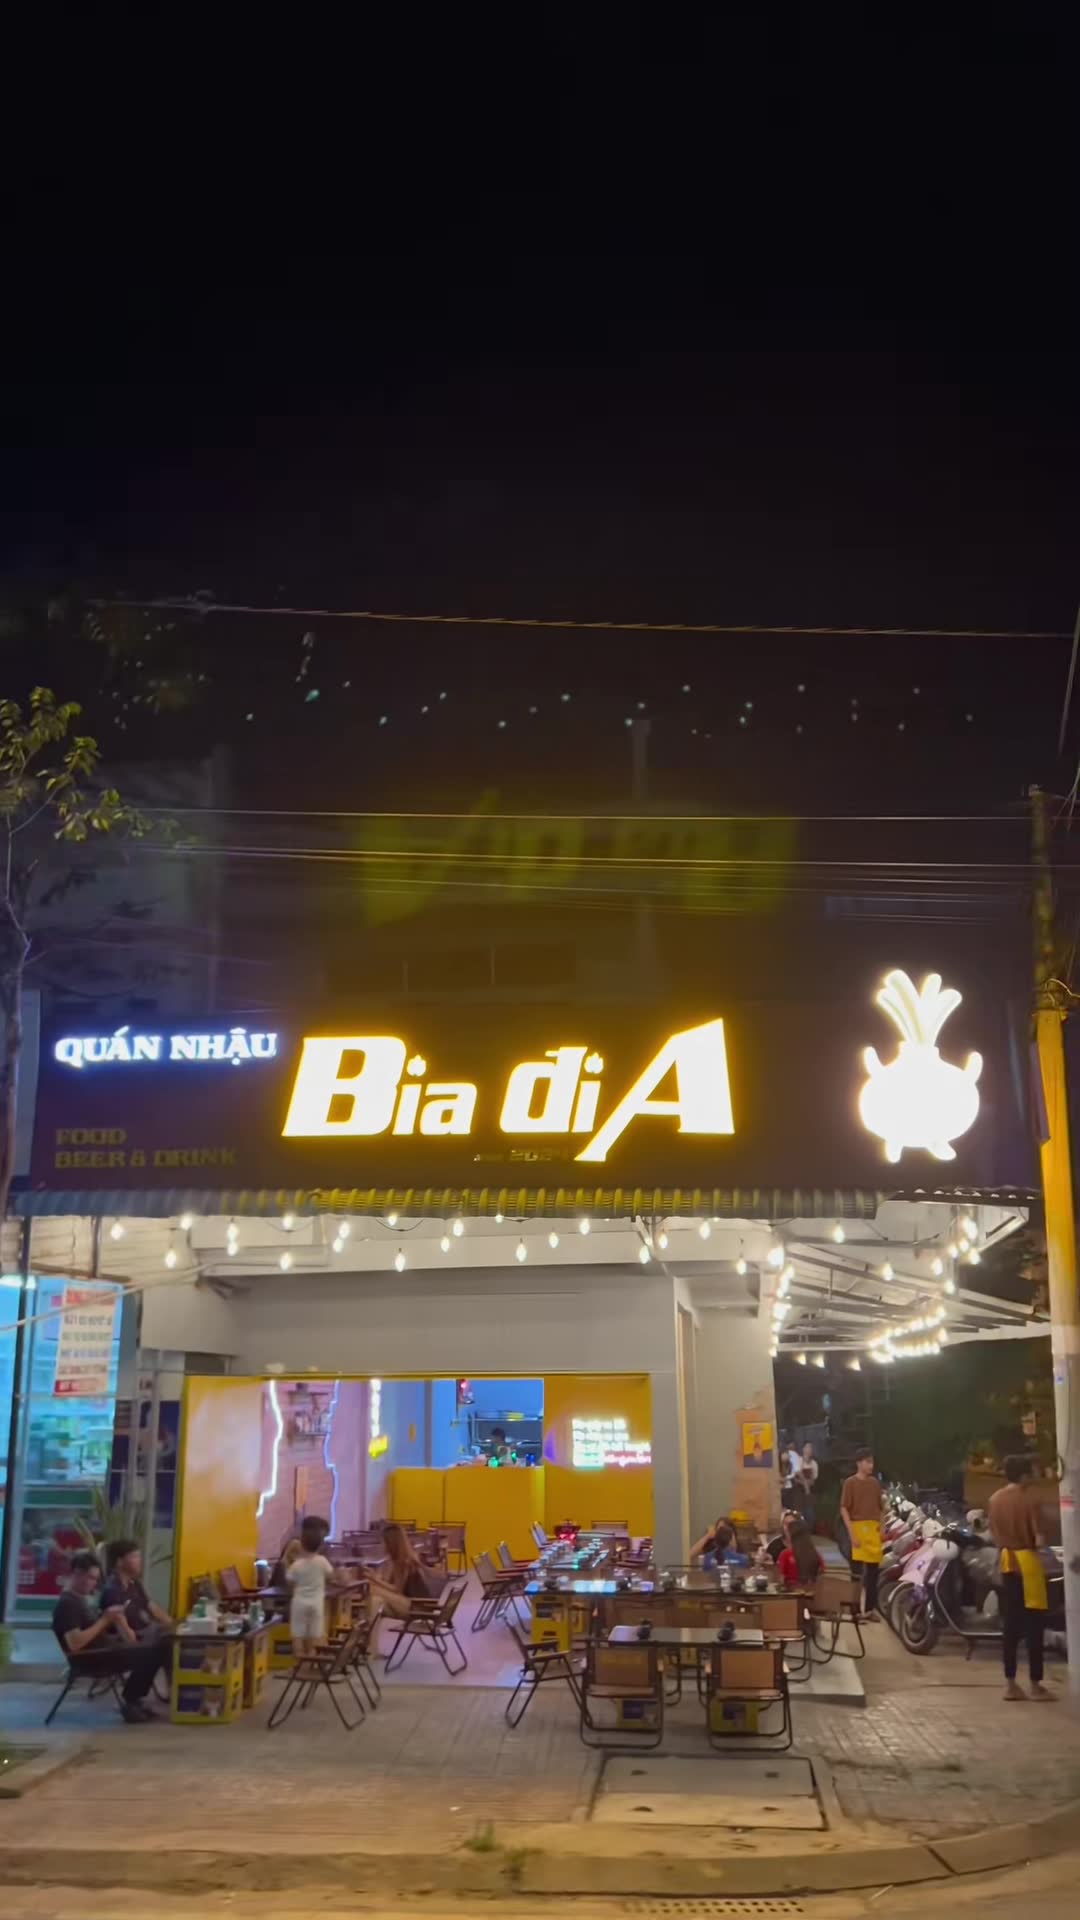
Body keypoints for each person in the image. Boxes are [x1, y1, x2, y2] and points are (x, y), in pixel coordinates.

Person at [52, 1550, 170, 1722]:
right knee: (152, 1653)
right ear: (76, 1574)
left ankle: (135, 1700)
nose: (92, 1584)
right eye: (90, 1578)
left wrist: (116, 1620)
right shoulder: (68, 1604)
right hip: (92, 1659)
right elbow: (75, 1643)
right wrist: (105, 1619)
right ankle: (131, 1701)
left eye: (95, 1579)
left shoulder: (80, 1600)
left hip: (105, 1650)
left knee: (159, 1644)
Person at [988, 1455, 1053, 1703]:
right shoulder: (1031, 1499)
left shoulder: (995, 1499)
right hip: (1028, 1563)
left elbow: (993, 1534)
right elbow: (1039, 1539)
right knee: (1034, 1624)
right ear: (1024, 1475)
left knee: (1011, 1623)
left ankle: (1010, 1684)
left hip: (1007, 1561)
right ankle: (1035, 1685)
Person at [285, 1515, 340, 1655]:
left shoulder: (297, 1564)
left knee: (298, 1636)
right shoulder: (321, 1560)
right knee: (315, 1634)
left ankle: (299, 1661)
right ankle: (311, 1659)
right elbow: (332, 1575)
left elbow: (289, 1580)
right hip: (316, 1603)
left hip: (299, 1603)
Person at [840, 1447, 884, 1619]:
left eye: (872, 1462)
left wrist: (882, 1528)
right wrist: (851, 1534)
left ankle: (870, 1610)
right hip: (857, 1528)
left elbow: (881, 1508)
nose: (871, 1465)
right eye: (868, 1462)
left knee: (873, 1574)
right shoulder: (850, 1483)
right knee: (856, 1574)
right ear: (859, 1463)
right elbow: (844, 1508)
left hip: (873, 1530)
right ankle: (855, 1610)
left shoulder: (874, 1483)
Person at [101, 1538, 173, 1636]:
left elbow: (152, 1608)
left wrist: (173, 1625)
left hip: (148, 1631)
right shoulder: (112, 1591)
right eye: (134, 1556)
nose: (139, 1561)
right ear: (119, 1562)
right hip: (135, 1639)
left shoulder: (134, 1583)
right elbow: (124, 1632)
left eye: (139, 1556)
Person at [776, 1518, 822, 1588]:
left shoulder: (786, 1554)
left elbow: (780, 1579)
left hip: (790, 1592)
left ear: (790, 1535)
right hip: (811, 1592)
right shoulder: (815, 1554)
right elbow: (821, 1576)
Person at [796, 1443, 819, 1526]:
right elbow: (795, 1477)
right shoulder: (798, 1461)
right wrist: (804, 1483)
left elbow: (813, 1480)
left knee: (810, 1513)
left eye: (810, 1448)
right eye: (807, 1447)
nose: (809, 1450)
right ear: (803, 1449)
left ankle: (809, 1529)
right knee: (799, 1513)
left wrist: (807, 1484)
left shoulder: (814, 1464)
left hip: (810, 1491)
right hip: (798, 1491)